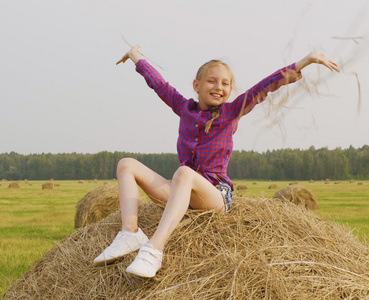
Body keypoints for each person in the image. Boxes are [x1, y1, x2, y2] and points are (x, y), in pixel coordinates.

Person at [93, 45, 339, 278]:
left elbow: (264, 86)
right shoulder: (183, 108)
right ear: (196, 85)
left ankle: (154, 250)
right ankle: (130, 232)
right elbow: (159, 85)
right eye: (211, 81)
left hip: (216, 196)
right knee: (126, 164)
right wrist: (136, 56)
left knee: (184, 173)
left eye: (225, 83)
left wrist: (305, 61)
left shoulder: (231, 112)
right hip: (182, 193)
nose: (218, 87)